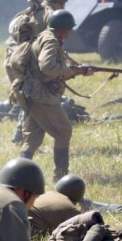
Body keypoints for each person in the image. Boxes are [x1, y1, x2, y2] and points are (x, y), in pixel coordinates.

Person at [19, 9, 94, 180]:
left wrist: (76, 71)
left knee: (33, 138)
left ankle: (19, 176)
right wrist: (70, 71)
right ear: (62, 29)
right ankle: (60, 177)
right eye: (69, 29)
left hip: (31, 93)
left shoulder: (44, 36)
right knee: (64, 132)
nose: (70, 32)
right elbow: (47, 67)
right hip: (41, 95)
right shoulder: (51, 41)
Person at [4, 0, 68, 143]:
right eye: (63, 4)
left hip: (14, 61)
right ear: (59, 2)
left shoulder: (33, 11)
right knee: (34, 99)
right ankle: (23, 139)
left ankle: (21, 139)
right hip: (28, 65)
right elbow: (49, 45)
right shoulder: (51, 16)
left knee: (27, 99)